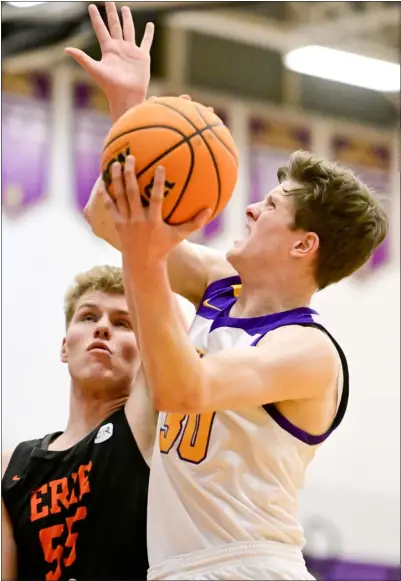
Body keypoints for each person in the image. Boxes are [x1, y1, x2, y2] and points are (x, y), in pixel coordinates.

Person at [72, 2, 388, 579]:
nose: (248, 207)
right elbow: (107, 219)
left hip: (248, 567)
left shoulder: (307, 352)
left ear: (303, 245)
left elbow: (182, 390)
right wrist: (131, 110)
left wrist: (145, 261)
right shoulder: (221, 288)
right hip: (177, 566)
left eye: (269, 207)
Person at [1, 265, 156, 581]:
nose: (102, 328)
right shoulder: (10, 466)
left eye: (122, 322)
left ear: (145, 354)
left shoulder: (144, 429)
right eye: (88, 317)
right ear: (64, 347)